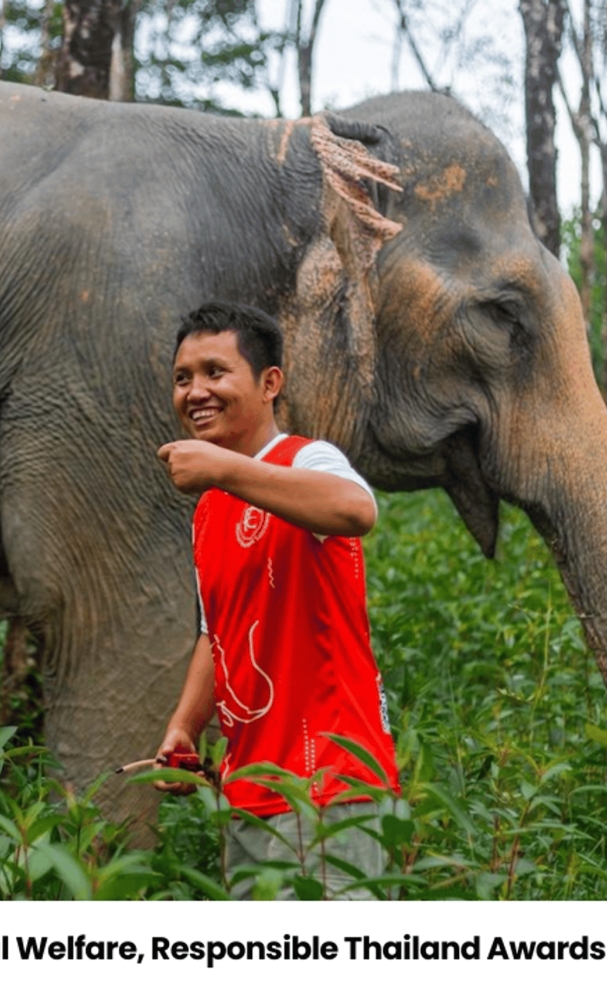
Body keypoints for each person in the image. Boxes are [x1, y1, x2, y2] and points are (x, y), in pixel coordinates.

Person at [154, 300, 400, 899]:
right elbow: (218, 633)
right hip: (251, 790)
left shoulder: (307, 459)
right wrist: (185, 726)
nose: (196, 392)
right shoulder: (209, 510)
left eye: (216, 372)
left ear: (270, 384)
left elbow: (355, 510)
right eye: (183, 378)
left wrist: (223, 469)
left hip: (332, 785)